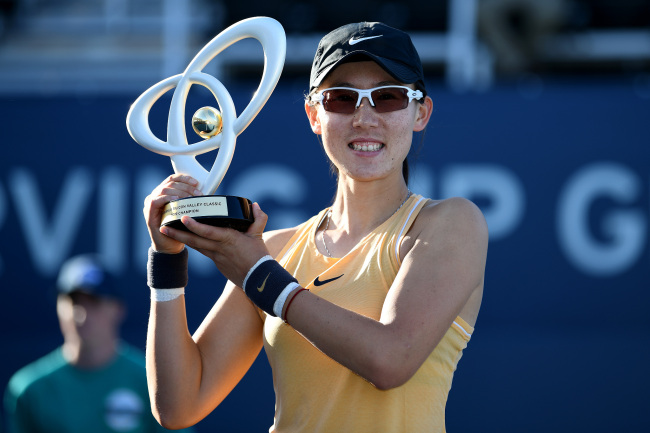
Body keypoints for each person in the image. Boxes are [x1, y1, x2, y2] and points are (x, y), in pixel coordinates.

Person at [143, 22, 488, 432]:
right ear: (314, 115)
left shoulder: (451, 222)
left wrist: (262, 279)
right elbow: (179, 406)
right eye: (341, 99)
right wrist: (167, 262)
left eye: (388, 97)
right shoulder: (271, 250)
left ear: (421, 113)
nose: (364, 117)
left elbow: (391, 360)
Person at [3, 254, 192, 433]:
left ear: (118, 309)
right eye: (73, 301)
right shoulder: (29, 388)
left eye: (94, 301)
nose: (81, 314)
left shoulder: (153, 383)